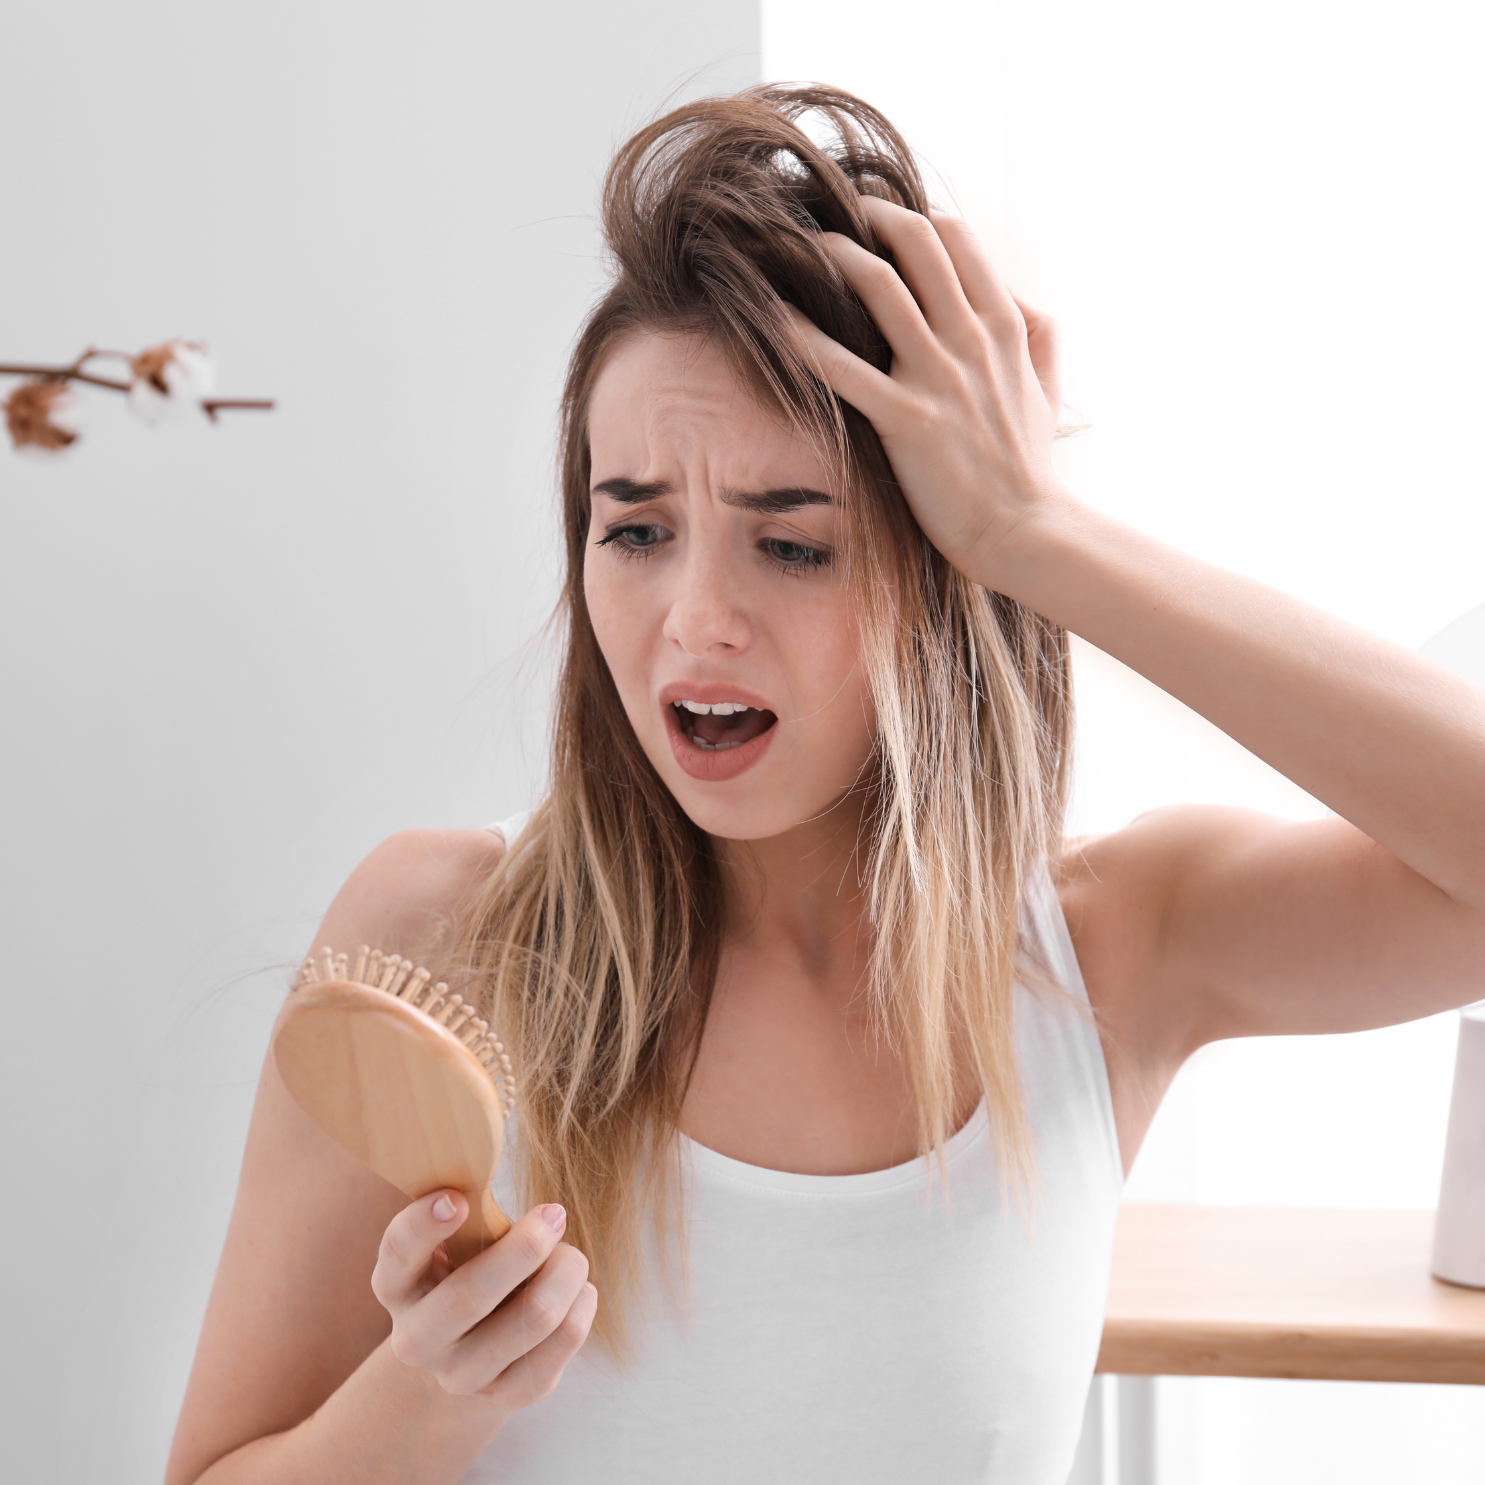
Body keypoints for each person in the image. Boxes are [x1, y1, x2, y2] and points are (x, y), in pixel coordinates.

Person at [165, 84, 1485, 1485]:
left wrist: (1042, 535)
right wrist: (427, 1401)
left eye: (792, 545)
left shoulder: (1105, 956)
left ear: (943, 579)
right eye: (636, 530)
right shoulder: (445, 936)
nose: (694, 621)